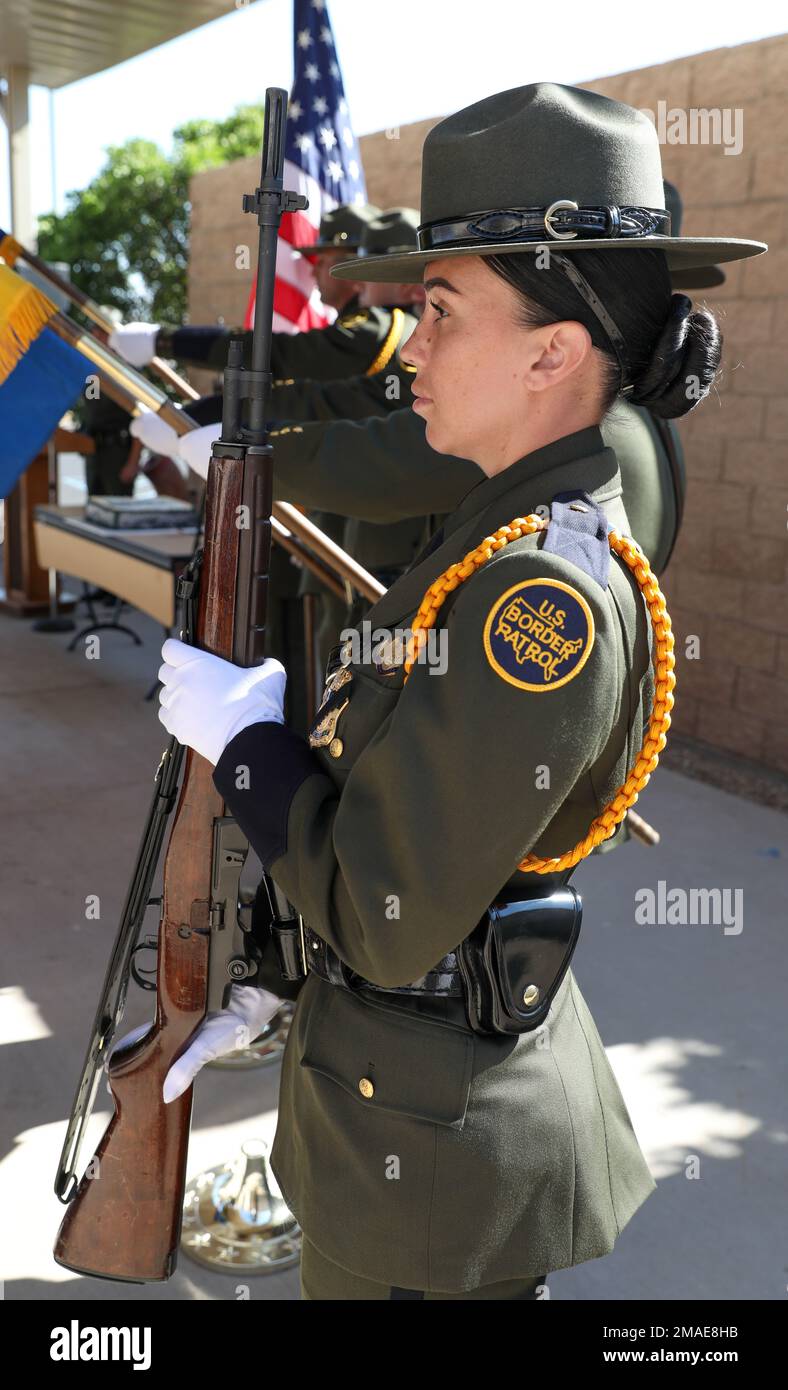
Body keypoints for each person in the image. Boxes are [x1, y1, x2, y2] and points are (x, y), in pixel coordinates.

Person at [152, 82, 765, 1300]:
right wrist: (281, 976)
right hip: (393, 1103)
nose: (409, 348)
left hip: (429, 1172)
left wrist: (248, 749)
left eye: (439, 311)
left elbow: (384, 911)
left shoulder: (536, 596)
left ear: (552, 350)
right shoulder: (492, 530)